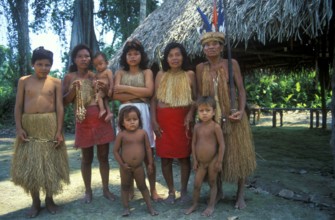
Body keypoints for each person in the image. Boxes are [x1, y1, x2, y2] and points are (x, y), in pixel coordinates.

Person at [196, 32, 256, 209]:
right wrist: (199, 115)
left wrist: (240, 109)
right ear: (203, 49)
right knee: (213, 153)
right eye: (207, 45)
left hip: (233, 115)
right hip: (211, 117)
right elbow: (200, 95)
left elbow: (241, 90)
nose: (211, 47)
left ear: (222, 47)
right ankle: (218, 190)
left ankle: (240, 195)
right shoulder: (200, 68)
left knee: (239, 154)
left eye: (215, 44)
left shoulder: (232, 64)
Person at [11, 46, 70, 218]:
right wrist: (19, 128)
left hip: (49, 125)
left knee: (50, 165)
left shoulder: (55, 82)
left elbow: (59, 107)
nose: (44, 68)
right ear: (32, 64)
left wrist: (59, 130)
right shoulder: (24, 81)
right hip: (29, 126)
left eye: (47, 65)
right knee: (32, 166)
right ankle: (35, 203)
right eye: (40, 64)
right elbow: (18, 106)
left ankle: (50, 200)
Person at [62, 44, 115, 204]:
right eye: (80, 56)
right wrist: (73, 90)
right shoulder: (69, 77)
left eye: (86, 56)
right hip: (83, 119)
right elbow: (64, 101)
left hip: (100, 117)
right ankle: (88, 191)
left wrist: (104, 87)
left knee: (104, 156)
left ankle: (106, 189)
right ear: (74, 59)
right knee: (86, 158)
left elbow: (108, 96)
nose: (84, 59)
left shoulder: (95, 75)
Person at [113, 39, 161, 201]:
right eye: (129, 54)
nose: (133, 57)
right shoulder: (119, 73)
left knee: (148, 150)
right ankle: (130, 188)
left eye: (136, 54)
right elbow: (114, 95)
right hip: (124, 113)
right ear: (125, 56)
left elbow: (149, 92)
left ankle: (153, 189)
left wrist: (125, 89)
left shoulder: (147, 72)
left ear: (142, 55)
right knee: (127, 149)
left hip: (142, 112)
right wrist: (140, 93)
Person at [151, 42, 196, 204]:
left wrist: (191, 114)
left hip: (183, 121)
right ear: (166, 58)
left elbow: (195, 99)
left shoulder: (190, 74)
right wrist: (154, 121)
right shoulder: (161, 74)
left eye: (178, 54)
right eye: (171, 55)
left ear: (183, 57)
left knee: (184, 157)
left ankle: (183, 191)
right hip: (163, 121)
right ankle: (171, 191)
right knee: (165, 158)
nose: (174, 58)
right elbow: (154, 100)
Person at [113, 105, 159, 217]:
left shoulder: (142, 133)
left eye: (135, 119)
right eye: (128, 120)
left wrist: (150, 163)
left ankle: (150, 207)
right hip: (125, 167)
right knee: (125, 187)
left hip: (139, 167)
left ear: (139, 120)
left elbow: (148, 149)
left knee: (143, 186)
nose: (132, 122)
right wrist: (122, 164)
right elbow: (115, 151)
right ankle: (126, 208)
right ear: (122, 122)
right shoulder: (121, 135)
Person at [184, 96, 225, 217]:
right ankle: (194, 204)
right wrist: (194, 159)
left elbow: (222, 145)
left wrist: (219, 161)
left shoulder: (215, 127)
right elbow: (193, 143)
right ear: (198, 112)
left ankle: (211, 206)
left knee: (213, 182)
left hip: (213, 160)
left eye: (207, 110)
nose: (204, 113)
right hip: (201, 162)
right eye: (201, 111)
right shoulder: (197, 127)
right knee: (197, 184)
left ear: (213, 112)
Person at [92, 51, 113, 122]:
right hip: (101, 90)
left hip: (105, 89)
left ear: (106, 63)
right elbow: (94, 80)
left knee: (99, 97)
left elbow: (111, 81)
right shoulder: (97, 74)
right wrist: (94, 82)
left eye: (100, 64)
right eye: (96, 66)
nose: (98, 67)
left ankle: (102, 109)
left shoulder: (108, 71)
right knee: (105, 101)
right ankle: (109, 113)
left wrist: (110, 89)